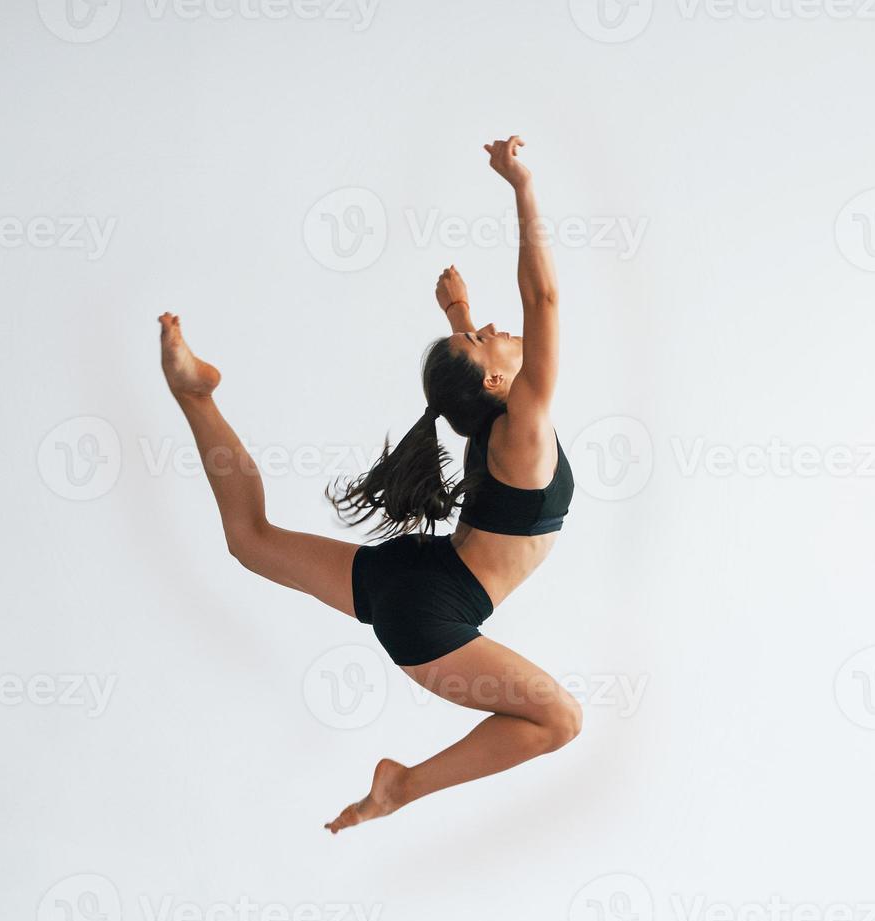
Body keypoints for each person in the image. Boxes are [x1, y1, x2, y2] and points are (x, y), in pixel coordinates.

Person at [160, 136, 580, 835]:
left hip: (421, 579)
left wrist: (458, 319)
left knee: (251, 539)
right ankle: (402, 787)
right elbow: (543, 297)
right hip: (432, 607)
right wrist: (521, 187)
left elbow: (468, 383)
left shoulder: (489, 422)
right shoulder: (521, 426)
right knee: (558, 720)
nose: (494, 329)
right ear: (497, 380)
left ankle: (195, 398)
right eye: (483, 337)